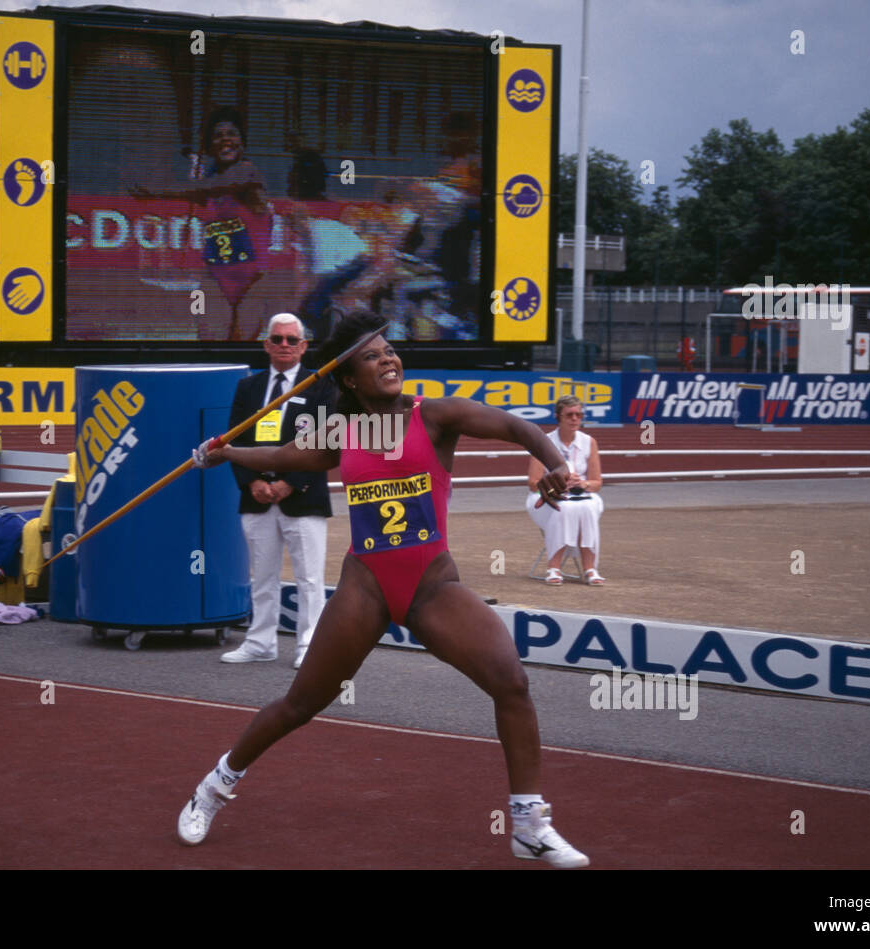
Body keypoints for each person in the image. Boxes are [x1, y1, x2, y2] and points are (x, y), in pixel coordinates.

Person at [178, 311, 590, 868]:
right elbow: (279, 456)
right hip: (367, 587)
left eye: (390, 350)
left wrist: (558, 465)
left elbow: (518, 427)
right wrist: (226, 453)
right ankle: (213, 786)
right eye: (372, 356)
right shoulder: (345, 433)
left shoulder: (436, 416)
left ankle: (529, 825)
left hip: (431, 586)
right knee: (300, 704)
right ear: (349, 378)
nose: (389, 359)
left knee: (511, 682)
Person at [222, 313, 336, 669]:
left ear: (303, 346)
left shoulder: (320, 386)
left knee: (310, 578)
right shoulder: (249, 388)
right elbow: (233, 441)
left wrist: (290, 482)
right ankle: (260, 642)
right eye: (278, 339)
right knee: (262, 575)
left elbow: (327, 441)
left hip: (303, 496)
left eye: (291, 340)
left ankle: (309, 645)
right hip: (256, 498)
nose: (284, 345)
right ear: (266, 344)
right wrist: (252, 481)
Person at [132, 106, 280, 340]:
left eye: (231, 134)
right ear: (210, 147)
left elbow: (197, 188)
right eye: (218, 136)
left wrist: (154, 190)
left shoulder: (248, 173)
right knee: (210, 341)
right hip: (215, 278)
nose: (225, 140)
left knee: (241, 345)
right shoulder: (210, 183)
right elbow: (193, 190)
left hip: (252, 281)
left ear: (242, 143)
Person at [525, 395, 605, 585]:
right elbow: (532, 482)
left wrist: (582, 484)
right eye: (569, 415)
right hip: (547, 496)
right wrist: (557, 484)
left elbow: (597, 483)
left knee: (586, 508)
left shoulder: (589, 442)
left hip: (582, 496)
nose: (575, 419)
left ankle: (590, 568)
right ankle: (554, 567)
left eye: (579, 414)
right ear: (558, 417)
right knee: (565, 508)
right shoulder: (543, 441)